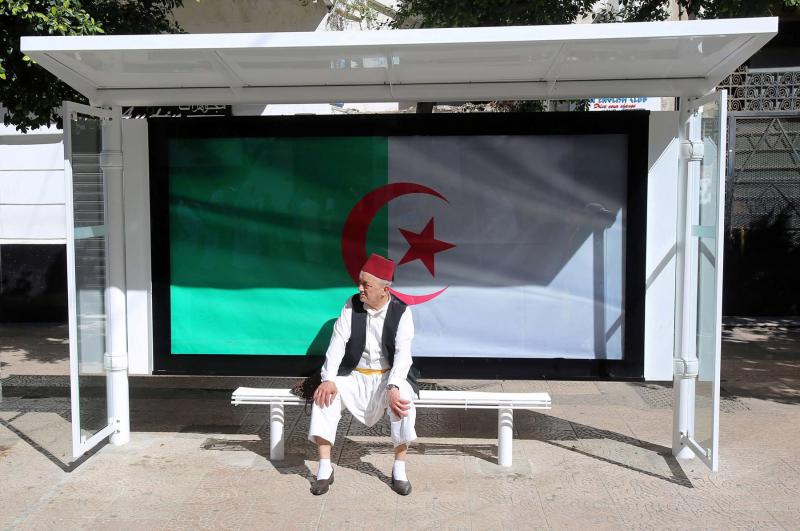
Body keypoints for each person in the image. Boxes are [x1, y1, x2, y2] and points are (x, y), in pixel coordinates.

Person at [308, 253, 419, 496]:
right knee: (324, 398)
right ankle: (325, 468)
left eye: (365, 284)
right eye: (360, 282)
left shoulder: (402, 312)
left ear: (384, 289)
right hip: (353, 374)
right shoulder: (351, 304)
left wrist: (394, 387)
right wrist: (328, 379)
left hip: (388, 377)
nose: (360, 288)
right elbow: (337, 343)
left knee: (403, 403)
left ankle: (399, 468)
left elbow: (403, 355)